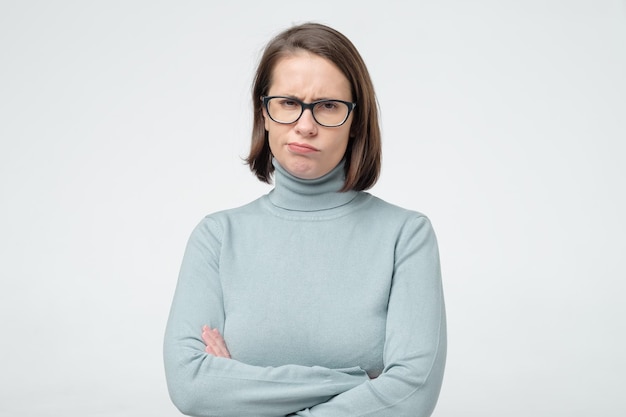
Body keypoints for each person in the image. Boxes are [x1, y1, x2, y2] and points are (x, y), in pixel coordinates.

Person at [163, 22, 446, 417]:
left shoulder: (406, 236)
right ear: (264, 112)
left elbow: (412, 396)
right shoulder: (217, 237)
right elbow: (191, 385)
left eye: (328, 106)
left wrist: (241, 386)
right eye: (288, 102)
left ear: (355, 122)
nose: (305, 125)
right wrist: (359, 383)